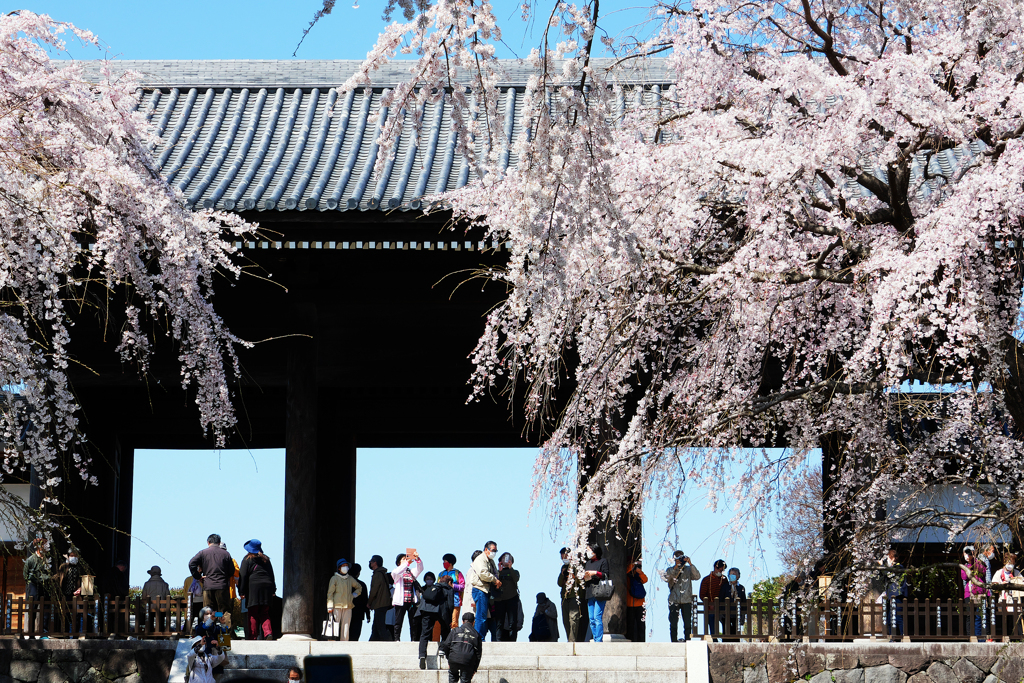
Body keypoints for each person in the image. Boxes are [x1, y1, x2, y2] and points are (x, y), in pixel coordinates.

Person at [238, 539, 276, 640]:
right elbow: (272, 575)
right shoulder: (266, 559)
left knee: (253, 613)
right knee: (264, 612)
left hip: (253, 588)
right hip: (267, 588)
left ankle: (253, 636)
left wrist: (241, 592)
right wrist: (273, 590)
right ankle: (268, 633)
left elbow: (243, 576)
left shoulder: (247, 559)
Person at [188, 534, 235, 616]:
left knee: (208, 610)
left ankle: (210, 627)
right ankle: (225, 627)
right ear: (219, 542)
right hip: (222, 586)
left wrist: (198, 577)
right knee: (224, 611)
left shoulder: (203, 553)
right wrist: (224, 577)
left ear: (208, 542)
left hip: (208, 585)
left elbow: (191, 564)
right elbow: (231, 571)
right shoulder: (226, 554)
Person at [418, 572, 455, 669]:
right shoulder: (448, 588)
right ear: (449, 582)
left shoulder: (433, 587)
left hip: (426, 610)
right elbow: (451, 604)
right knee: (446, 630)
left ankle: (422, 655)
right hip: (439, 611)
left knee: (425, 633)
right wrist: (450, 619)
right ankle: (442, 649)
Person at [664, 550, 700, 642]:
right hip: (674, 599)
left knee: (688, 623)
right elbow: (666, 578)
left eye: (681, 557)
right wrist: (675, 567)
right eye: (677, 558)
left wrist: (690, 564)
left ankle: (688, 640)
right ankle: (674, 640)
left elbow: (697, 576)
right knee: (673, 623)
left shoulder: (688, 569)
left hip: (686, 599)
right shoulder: (670, 570)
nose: (680, 559)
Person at [440, 612, 483, 683]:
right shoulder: (476, 635)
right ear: (473, 622)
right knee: (465, 679)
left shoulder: (454, 631)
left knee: (453, 676)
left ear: (462, 621)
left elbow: (446, 645)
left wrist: (449, 659)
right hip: (468, 661)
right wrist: (474, 669)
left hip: (454, 658)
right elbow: (478, 653)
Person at [470, 541, 501, 636]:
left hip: (486, 590)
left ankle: (480, 637)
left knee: (483, 616)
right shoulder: (480, 559)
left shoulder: (490, 561)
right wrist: (495, 580)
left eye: (496, 550)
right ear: (486, 549)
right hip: (480, 589)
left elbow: (495, 572)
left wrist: (497, 580)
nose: (494, 552)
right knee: (481, 616)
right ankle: (478, 638)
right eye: (493, 550)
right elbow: (483, 573)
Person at [327, 558, 361, 641]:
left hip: (348, 606)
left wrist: (354, 595)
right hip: (336, 606)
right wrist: (330, 606)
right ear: (339, 568)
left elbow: (359, 587)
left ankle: (344, 642)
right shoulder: (334, 578)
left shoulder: (350, 579)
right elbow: (330, 593)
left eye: (346, 566)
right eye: (343, 566)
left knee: (346, 626)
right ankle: (331, 641)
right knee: (334, 625)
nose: (345, 567)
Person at [392, 551, 424, 641]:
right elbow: (397, 572)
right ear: (399, 562)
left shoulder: (411, 572)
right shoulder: (396, 572)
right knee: (398, 622)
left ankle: (413, 639)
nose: (406, 560)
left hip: (411, 600)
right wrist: (407, 563)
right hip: (400, 601)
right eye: (403, 559)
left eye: (406, 558)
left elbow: (420, 568)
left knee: (413, 622)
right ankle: (396, 639)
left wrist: (417, 559)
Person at [558, 547, 586, 642]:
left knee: (573, 619)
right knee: (565, 620)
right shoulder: (563, 567)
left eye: (565, 556)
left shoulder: (577, 565)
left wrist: (574, 577)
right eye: (562, 557)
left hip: (575, 595)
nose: (563, 559)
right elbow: (559, 583)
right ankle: (569, 639)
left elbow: (582, 581)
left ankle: (572, 641)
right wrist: (562, 574)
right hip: (565, 597)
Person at [583, 544, 611, 642]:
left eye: (589, 550)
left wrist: (595, 573)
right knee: (591, 619)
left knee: (597, 617)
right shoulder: (588, 563)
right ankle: (595, 638)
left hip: (600, 592)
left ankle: (598, 640)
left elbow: (606, 574)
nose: (587, 552)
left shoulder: (603, 561)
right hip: (590, 592)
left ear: (595, 551)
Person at [961, 545, 989, 639]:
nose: (967, 555)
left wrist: (974, 560)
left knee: (980, 616)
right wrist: (969, 564)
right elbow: (964, 577)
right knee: (969, 616)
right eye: (965, 553)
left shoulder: (980, 563)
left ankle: (981, 636)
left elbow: (982, 571)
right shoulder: (964, 566)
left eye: (969, 553)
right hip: (969, 593)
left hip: (980, 592)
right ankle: (971, 636)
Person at [994, 552, 1023, 637]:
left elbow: (1022, 583)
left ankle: (1018, 638)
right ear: (1005, 562)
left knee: (1016, 620)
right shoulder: (999, 573)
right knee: (1005, 620)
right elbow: (994, 586)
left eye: (1013, 563)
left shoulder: (1016, 573)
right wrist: (1002, 584)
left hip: (1015, 599)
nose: (1011, 565)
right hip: (1004, 599)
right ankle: (1005, 637)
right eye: (1009, 563)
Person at [493, 552, 521, 641]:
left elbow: (516, 579)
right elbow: (495, 582)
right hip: (499, 599)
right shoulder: (497, 573)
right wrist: (500, 571)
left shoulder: (515, 571)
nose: (505, 560)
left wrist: (510, 568)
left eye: (508, 558)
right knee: (499, 622)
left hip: (512, 598)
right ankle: (498, 640)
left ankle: (513, 640)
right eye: (503, 558)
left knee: (512, 622)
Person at [882, 549, 908, 640]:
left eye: (889, 558)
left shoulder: (899, 567)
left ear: (893, 558)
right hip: (889, 595)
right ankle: (892, 638)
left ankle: (903, 636)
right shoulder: (890, 567)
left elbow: (888, 574)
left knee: (898, 616)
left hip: (897, 594)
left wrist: (883, 565)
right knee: (889, 618)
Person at [699, 559, 727, 641]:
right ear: (715, 567)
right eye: (719, 569)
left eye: (722, 570)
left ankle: (725, 639)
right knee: (711, 620)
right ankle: (714, 639)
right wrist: (709, 604)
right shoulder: (706, 580)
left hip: (722, 606)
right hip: (710, 607)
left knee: (726, 620)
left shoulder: (724, 579)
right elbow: (702, 595)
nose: (720, 572)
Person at [367, 554, 393, 641]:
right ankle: (372, 641)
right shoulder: (382, 573)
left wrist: (369, 602)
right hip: (383, 602)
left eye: (371, 561)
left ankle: (386, 642)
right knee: (376, 625)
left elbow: (374, 590)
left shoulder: (377, 574)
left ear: (375, 563)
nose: (370, 563)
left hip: (380, 603)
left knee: (380, 625)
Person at [717, 567, 747, 639]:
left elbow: (744, 601)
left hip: (737, 614)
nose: (732, 576)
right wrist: (721, 613)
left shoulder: (741, 588)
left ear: (738, 576)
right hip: (726, 614)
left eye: (734, 574)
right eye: (730, 574)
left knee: (736, 633)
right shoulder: (725, 587)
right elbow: (720, 599)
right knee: (726, 631)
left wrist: (743, 614)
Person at [439, 554, 466, 630]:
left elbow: (463, 586)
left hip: (455, 601)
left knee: (454, 622)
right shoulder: (441, 574)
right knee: (444, 621)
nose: (443, 563)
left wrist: (453, 586)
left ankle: (454, 638)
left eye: (445, 561)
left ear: (450, 562)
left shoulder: (457, 573)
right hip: (444, 601)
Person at [626, 557, 648, 642]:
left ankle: (642, 641)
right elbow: (626, 571)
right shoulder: (627, 575)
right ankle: (630, 640)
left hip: (640, 604)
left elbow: (645, 580)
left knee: (641, 625)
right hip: (629, 603)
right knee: (630, 625)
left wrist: (639, 571)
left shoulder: (638, 574)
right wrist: (632, 566)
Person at [350, 563, 370, 641]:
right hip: (359, 612)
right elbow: (365, 600)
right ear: (358, 573)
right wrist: (368, 614)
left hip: (347, 610)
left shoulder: (346, 584)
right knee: (355, 635)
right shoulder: (362, 585)